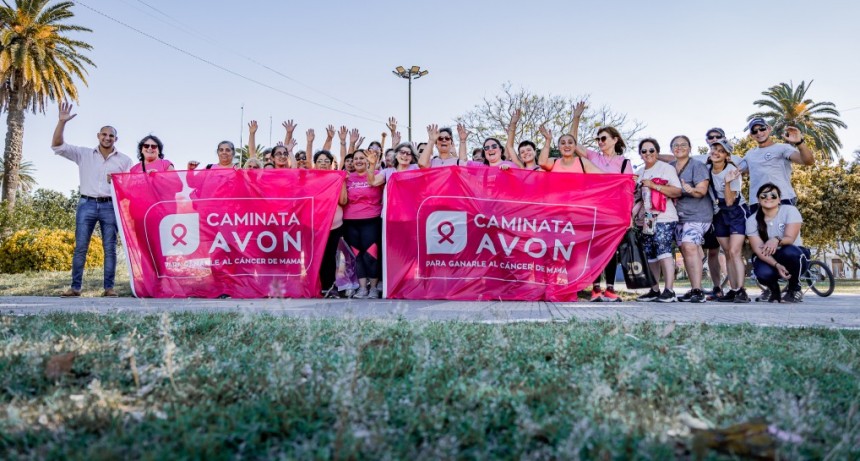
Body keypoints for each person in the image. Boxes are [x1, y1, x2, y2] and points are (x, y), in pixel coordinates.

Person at [52, 103, 133, 298]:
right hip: (86, 204)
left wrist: (116, 182)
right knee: (81, 246)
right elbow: (57, 146)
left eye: (111, 136)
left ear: (116, 139)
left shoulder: (124, 160)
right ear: (98, 136)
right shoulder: (84, 154)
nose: (107, 138)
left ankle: (109, 288)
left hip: (110, 206)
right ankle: (75, 287)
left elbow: (130, 186)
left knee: (110, 248)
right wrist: (62, 122)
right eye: (104, 134)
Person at [572, 122, 635, 301]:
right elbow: (573, 143)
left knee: (612, 249)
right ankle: (595, 288)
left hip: (615, 211)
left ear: (615, 140)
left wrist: (628, 214)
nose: (600, 142)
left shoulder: (624, 163)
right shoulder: (593, 157)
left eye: (604, 138)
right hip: (595, 209)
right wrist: (576, 119)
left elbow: (628, 190)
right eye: (598, 139)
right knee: (595, 249)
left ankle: (610, 288)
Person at [634, 138, 682, 302]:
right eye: (644, 151)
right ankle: (654, 289)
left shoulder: (666, 169)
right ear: (640, 154)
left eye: (651, 150)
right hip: (647, 218)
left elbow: (677, 191)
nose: (648, 154)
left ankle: (669, 290)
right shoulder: (640, 172)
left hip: (664, 216)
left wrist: (654, 185)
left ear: (657, 152)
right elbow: (638, 197)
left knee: (664, 251)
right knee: (650, 254)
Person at [745, 183, 809, 303]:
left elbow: (790, 238)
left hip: (794, 255)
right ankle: (774, 291)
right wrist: (776, 265)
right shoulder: (752, 220)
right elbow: (759, 250)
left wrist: (776, 239)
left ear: (779, 199)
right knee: (762, 271)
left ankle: (794, 289)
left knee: (790, 251)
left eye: (773, 195)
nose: (768, 198)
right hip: (770, 256)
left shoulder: (790, 211)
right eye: (764, 195)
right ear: (758, 200)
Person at [739, 117, 815, 213]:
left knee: (786, 228)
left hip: (782, 199)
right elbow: (736, 170)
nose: (759, 132)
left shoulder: (782, 148)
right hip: (757, 203)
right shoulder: (749, 154)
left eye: (762, 128)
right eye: (754, 131)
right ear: (751, 135)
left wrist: (799, 142)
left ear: (769, 129)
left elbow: (809, 161)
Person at [669, 135, 712, 303]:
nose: (679, 147)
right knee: (685, 250)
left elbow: (702, 191)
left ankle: (697, 290)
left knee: (689, 247)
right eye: (675, 145)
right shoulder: (670, 167)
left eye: (683, 144)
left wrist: (690, 189)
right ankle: (694, 288)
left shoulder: (697, 166)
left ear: (690, 148)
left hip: (698, 215)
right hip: (678, 216)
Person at [707, 139, 750, 303]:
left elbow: (731, 200)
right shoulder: (708, 169)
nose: (716, 152)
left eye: (721, 150)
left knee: (734, 252)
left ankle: (741, 290)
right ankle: (733, 289)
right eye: (714, 149)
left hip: (735, 211)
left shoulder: (732, 170)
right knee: (726, 253)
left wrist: (726, 182)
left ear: (726, 155)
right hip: (719, 213)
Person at [305, 149, 348, 296]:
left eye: (326, 161)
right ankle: (322, 286)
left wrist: (341, 181)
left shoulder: (337, 178)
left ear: (331, 164)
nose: (323, 164)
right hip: (316, 226)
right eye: (320, 161)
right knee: (319, 257)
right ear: (315, 164)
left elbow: (343, 201)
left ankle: (335, 287)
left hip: (336, 225)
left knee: (334, 257)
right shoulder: (311, 179)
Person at [343, 149, 384, 298]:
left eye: (362, 158)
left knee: (370, 255)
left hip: (371, 220)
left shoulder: (377, 174)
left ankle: (373, 288)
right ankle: (362, 288)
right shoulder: (347, 178)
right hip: (350, 221)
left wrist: (372, 166)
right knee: (357, 255)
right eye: (356, 159)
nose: (359, 161)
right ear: (352, 162)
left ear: (368, 160)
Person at [537, 125, 602, 174]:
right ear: (559, 147)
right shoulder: (554, 162)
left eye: (570, 142)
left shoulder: (582, 162)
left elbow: (604, 177)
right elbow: (542, 163)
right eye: (563, 143)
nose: (567, 145)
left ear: (575, 146)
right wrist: (548, 140)